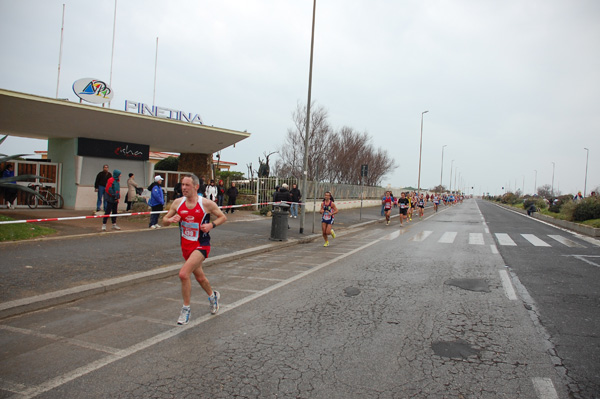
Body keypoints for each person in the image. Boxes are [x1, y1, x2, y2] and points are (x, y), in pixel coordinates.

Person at [162, 174, 227, 325]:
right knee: (200, 278)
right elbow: (164, 220)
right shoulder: (178, 203)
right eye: (182, 185)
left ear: (196, 187)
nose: (183, 188)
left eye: (187, 185)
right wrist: (170, 220)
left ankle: (186, 310)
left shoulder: (206, 204)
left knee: (184, 274)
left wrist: (211, 225)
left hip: (201, 245)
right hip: (186, 247)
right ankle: (213, 296)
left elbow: (222, 217)